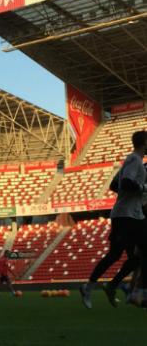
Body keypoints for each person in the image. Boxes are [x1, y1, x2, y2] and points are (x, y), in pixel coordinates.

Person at [81, 130, 147, 309]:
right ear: (144, 143)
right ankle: (91, 286)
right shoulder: (134, 160)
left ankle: (113, 286)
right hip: (125, 215)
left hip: (132, 214)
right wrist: (142, 188)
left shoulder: (134, 161)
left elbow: (114, 185)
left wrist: (132, 195)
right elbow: (125, 183)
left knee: (135, 257)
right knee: (117, 254)